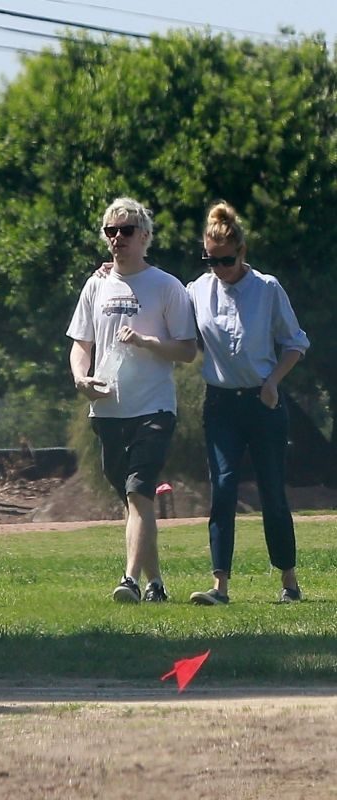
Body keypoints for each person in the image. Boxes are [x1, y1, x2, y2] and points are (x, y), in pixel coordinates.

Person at [66, 197, 197, 603]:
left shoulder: (166, 286)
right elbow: (79, 344)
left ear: (144, 236)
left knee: (139, 491)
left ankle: (130, 580)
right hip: (107, 409)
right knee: (133, 500)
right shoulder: (96, 284)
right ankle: (156, 585)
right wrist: (80, 377)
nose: (117, 238)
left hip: (154, 407)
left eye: (125, 231)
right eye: (111, 231)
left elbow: (188, 350)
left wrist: (145, 341)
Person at [187, 201, 310, 605]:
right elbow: (167, 309)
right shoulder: (197, 290)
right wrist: (110, 274)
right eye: (210, 260)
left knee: (273, 491)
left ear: (241, 253)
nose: (218, 269)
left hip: (263, 401)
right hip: (221, 404)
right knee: (222, 489)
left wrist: (273, 381)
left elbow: (295, 343)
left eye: (225, 260)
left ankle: (289, 581)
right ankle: (219, 585)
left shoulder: (267, 288)